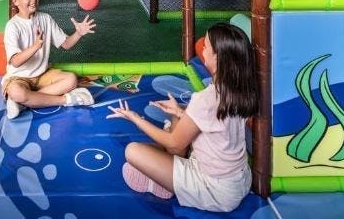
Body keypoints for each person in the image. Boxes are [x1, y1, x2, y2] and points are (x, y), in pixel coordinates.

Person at [107, 23, 258, 213]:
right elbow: (215, 123)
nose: (202, 48)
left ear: (217, 58)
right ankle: (164, 171)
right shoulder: (239, 90)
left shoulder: (206, 99)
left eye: (206, 46)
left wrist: (136, 119)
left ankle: (161, 183)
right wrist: (179, 112)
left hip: (214, 190)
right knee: (178, 116)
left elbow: (174, 144)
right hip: (239, 181)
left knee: (133, 151)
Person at [3, 0, 97, 119]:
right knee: (17, 92)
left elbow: (66, 44)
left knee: (71, 79)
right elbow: (15, 61)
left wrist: (78, 33)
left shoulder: (45, 18)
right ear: (16, 1)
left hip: (43, 75)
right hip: (19, 78)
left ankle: (24, 102)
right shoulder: (12, 26)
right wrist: (35, 46)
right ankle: (65, 100)